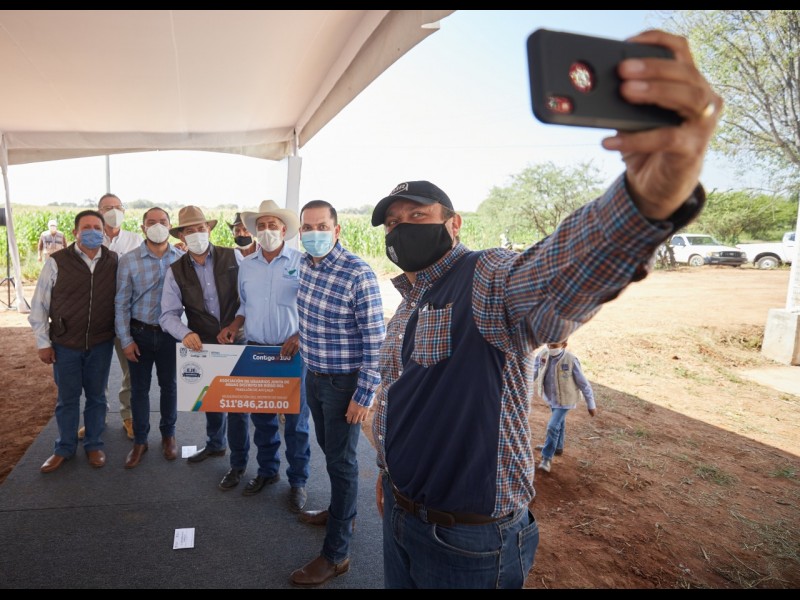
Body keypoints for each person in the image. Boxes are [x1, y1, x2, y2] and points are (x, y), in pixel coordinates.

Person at [369, 30, 722, 589]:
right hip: (402, 515)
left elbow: (556, 277)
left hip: (468, 544)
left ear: (453, 224)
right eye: (392, 222)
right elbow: (399, 395)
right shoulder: (408, 302)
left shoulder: (485, 276)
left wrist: (644, 200)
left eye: (417, 216)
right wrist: (390, 477)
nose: (401, 229)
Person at [289, 200, 386, 587]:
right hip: (314, 375)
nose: (314, 233)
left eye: (322, 226)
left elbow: (375, 340)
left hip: (344, 384)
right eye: (307, 227)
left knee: (342, 463)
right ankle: (341, 511)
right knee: (330, 452)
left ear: (337, 230)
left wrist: (364, 395)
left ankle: (337, 554)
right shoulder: (305, 265)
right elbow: (311, 315)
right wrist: (299, 337)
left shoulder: (357, 273)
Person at [216, 200, 311, 511]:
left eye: (273, 225)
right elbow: (245, 304)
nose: (267, 231)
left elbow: (312, 307)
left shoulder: (301, 262)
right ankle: (268, 471)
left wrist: (300, 335)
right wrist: (234, 325)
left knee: (296, 423)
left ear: (284, 230)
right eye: (262, 226)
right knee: (263, 418)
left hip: (291, 352)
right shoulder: (247, 265)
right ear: (255, 232)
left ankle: (298, 481)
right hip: (257, 350)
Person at [28, 210, 118, 473]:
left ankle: (93, 444)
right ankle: (64, 448)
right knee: (67, 399)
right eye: (86, 227)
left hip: (100, 343)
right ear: (76, 232)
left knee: (97, 397)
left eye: (97, 227)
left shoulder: (113, 261)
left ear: (104, 232)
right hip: (65, 344)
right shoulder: (57, 262)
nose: (92, 232)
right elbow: (39, 306)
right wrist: (43, 343)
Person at [159, 205, 241, 465]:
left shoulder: (234, 257)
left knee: (239, 403)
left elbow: (250, 299)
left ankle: (239, 460)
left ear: (209, 230)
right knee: (211, 397)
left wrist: (236, 325)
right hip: (204, 342)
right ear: (181, 236)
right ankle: (216, 445)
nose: (196, 234)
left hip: (237, 338)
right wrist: (185, 333)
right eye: (189, 231)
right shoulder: (175, 270)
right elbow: (167, 315)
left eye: (201, 228)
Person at [115, 207, 185, 469]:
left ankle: (168, 435)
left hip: (170, 335)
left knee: (169, 386)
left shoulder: (181, 258)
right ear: (143, 228)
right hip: (140, 334)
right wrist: (126, 340)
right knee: (139, 389)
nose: (157, 226)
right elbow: (121, 303)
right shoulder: (129, 260)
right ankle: (140, 440)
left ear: (170, 226)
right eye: (151, 222)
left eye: (162, 221)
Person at [79, 193, 143, 442]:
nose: (113, 211)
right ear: (98, 211)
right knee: (97, 371)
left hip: (128, 316)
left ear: (124, 211)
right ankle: (97, 417)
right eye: (107, 207)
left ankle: (129, 416)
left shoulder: (135, 240)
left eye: (117, 207)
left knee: (131, 370)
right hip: (98, 315)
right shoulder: (89, 240)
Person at [532, 340, 596, 474]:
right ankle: (558, 447)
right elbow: (534, 371)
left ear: (564, 345)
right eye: (548, 344)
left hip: (566, 400)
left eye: (554, 345)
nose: (550, 348)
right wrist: (524, 383)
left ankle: (546, 458)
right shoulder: (542, 354)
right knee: (558, 423)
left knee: (552, 426)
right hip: (552, 398)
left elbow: (583, 383)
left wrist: (591, 404)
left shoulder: (571, 360)